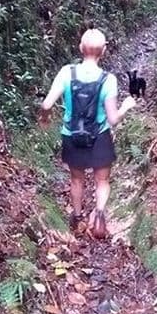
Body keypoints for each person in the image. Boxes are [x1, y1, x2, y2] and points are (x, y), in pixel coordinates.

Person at [39, 29, 137, 238]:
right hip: (99, 135)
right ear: (103, 51)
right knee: (102, 181)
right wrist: (126, 107)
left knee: (77, 180)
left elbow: (47, 103)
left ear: (81, 48)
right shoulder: (108, 79)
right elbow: (113, 119)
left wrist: (45, 118)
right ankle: (99, 216)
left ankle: (77, 218)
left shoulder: (67, 72)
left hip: (72, 135)